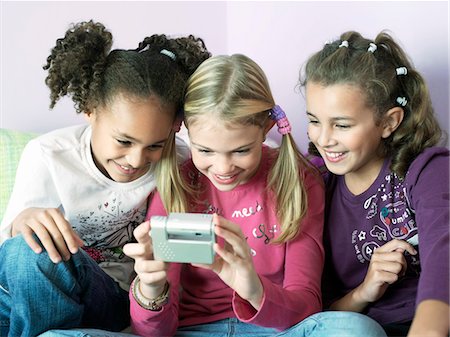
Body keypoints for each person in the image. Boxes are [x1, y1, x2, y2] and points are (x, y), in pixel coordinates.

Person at [123, 54, 387, 337]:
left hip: (274, 329)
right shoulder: (178, 184)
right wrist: (151, 290)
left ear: (266, 128)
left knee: (357, 330)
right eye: (205, 151)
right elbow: (154, 333)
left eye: (241, 150)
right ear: (185, 130)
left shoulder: (298, 181)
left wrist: (255, 290)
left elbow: (307, 305)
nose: (223, 168)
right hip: (194, 330)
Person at [0, 20, 210, 336]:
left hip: (119, 301)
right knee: (27, 249)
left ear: (175, 126)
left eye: (155, 144)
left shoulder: (182, 162)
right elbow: (15, 260)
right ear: (90, 109)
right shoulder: (48, 154)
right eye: (123, 141)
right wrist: (23, 220)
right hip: (44, 291)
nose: (137, 160)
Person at [300, 30, 449, 337]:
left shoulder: (426, 171)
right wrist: (364, 292)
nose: (324, 139)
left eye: (342, 124)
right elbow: (314, 313)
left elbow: (443, 259)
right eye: (314, 120)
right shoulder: (315, 184)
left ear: (389, 122)